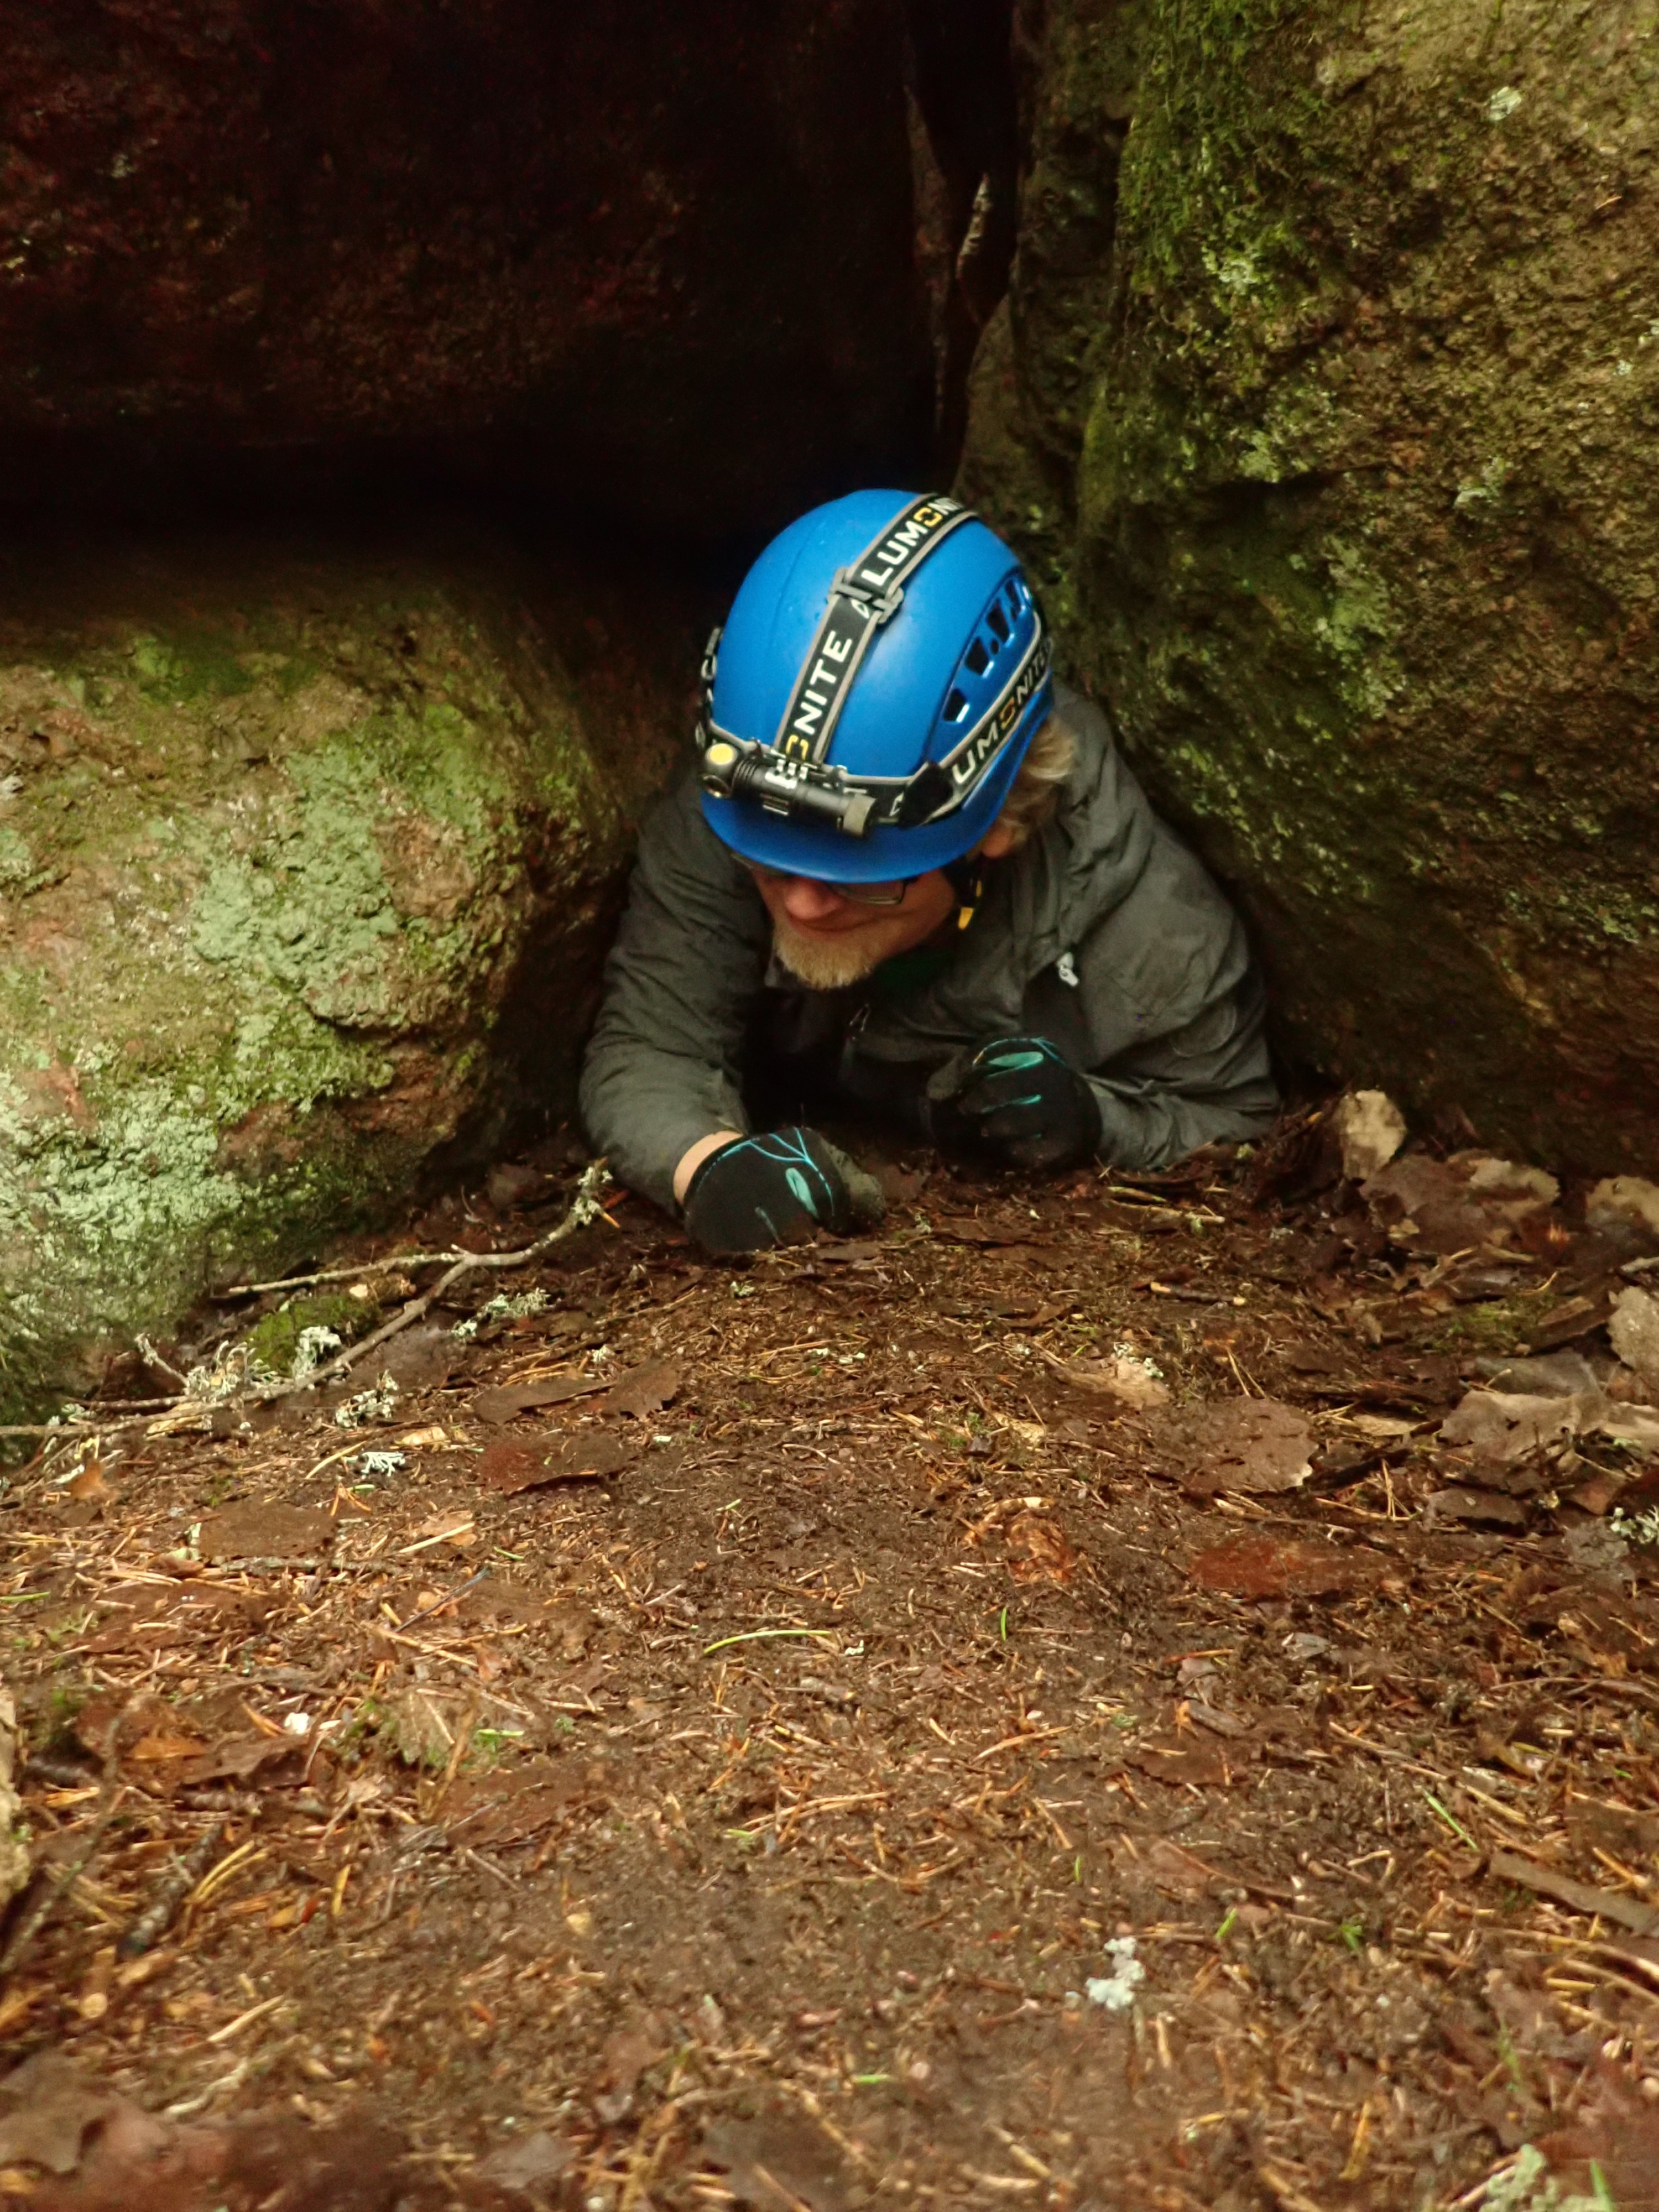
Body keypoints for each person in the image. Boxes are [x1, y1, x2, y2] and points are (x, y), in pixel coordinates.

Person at [580, 491, 1277, 1255]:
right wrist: (711, 1166)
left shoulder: (1148, 930)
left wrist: (1095, 1118)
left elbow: (1233, 1115)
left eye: (863, 871)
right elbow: (653, 1043)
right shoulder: (744, 800)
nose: (804, 905)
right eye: (774, 862)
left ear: (1003, 823)